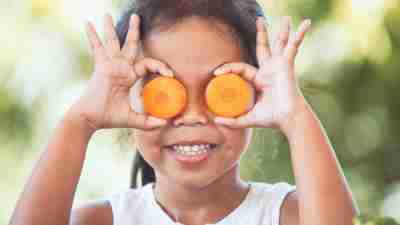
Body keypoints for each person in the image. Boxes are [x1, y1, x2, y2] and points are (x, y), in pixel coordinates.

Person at [9, 0, 360, 225]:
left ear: (258, 93)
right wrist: (79, 122)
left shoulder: (289, 216)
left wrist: (296, 119)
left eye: (220, 88)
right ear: (125, 98)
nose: (192, 115)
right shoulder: (101, 221)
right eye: (163, 88)